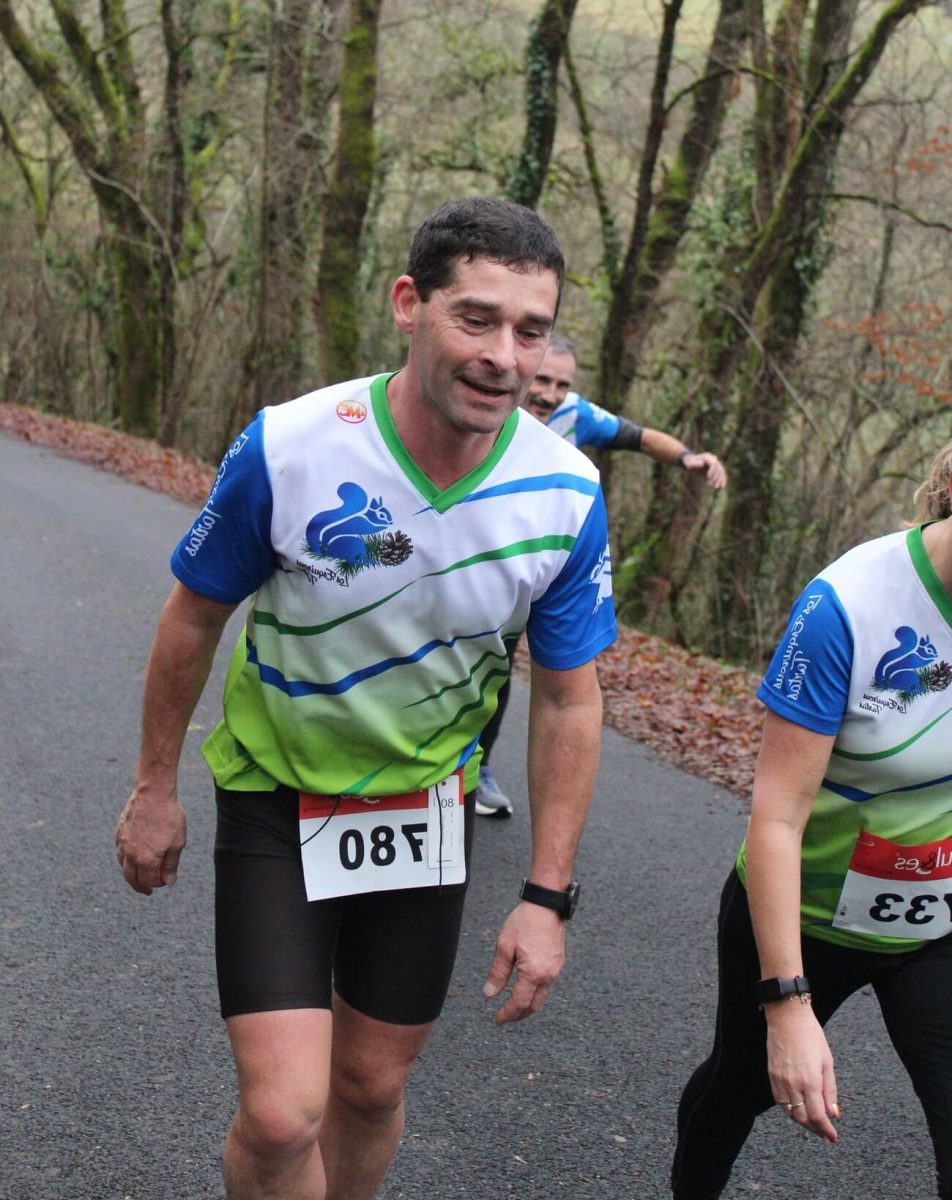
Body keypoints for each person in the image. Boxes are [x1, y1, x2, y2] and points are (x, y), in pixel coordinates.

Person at [114, 196, 617, 1200]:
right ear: (407, 304)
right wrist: (153, 788)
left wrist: (546, 895)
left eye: (530, 331)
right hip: (277, 794)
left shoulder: (565, 493)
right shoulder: (292, 445)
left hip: (423, 812)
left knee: (372, 1086)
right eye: (475, 318)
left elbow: (569, 702)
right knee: (280, 1115)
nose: (504, 358)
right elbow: (193, 617)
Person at [670, 441, 952, 1199]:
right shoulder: (849, 604)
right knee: (739, 1088)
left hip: (936, 925)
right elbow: (777, 816)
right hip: (807, 914)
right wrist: (788, 1005)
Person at [474, 332, 726, 817]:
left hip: (536, 561)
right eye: (543, 380)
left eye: (562, 385)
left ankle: (476, 766)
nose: (550, 394)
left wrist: (687, 458)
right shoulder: (482, 404)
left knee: (499, 661)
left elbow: (637, 437)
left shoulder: (575, 415)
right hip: (472, 547)